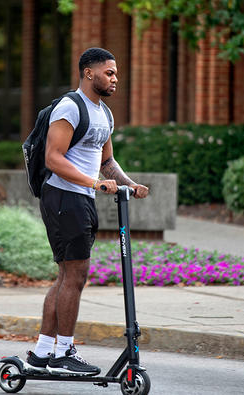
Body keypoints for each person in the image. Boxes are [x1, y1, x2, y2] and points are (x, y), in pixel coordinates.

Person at [25, 47, 149, 375]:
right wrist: (94, 184)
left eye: (116, 73)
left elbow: (106, 161)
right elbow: (53, 157)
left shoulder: (104, 113)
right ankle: (63, 351)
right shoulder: (70, 107)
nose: (115, 78)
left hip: (82, 199)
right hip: (64, 197)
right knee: (75, 275)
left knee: (67, 275)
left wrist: (129, 184)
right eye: (109, 72)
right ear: (89, 72)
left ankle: (40, 353)